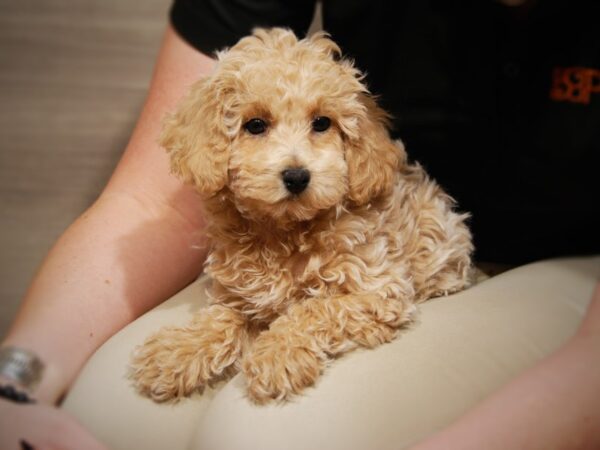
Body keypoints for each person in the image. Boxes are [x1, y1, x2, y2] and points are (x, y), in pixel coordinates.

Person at [1, 0, 599, 449]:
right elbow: (149, 202)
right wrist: (14, 380)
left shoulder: (363, 202)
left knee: (265, 428)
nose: (295, 163)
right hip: (267, 241)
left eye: (321, 126)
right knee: (109, 401)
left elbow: (378, 296)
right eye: (256, 126)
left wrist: (297, 332)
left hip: (521, 277)